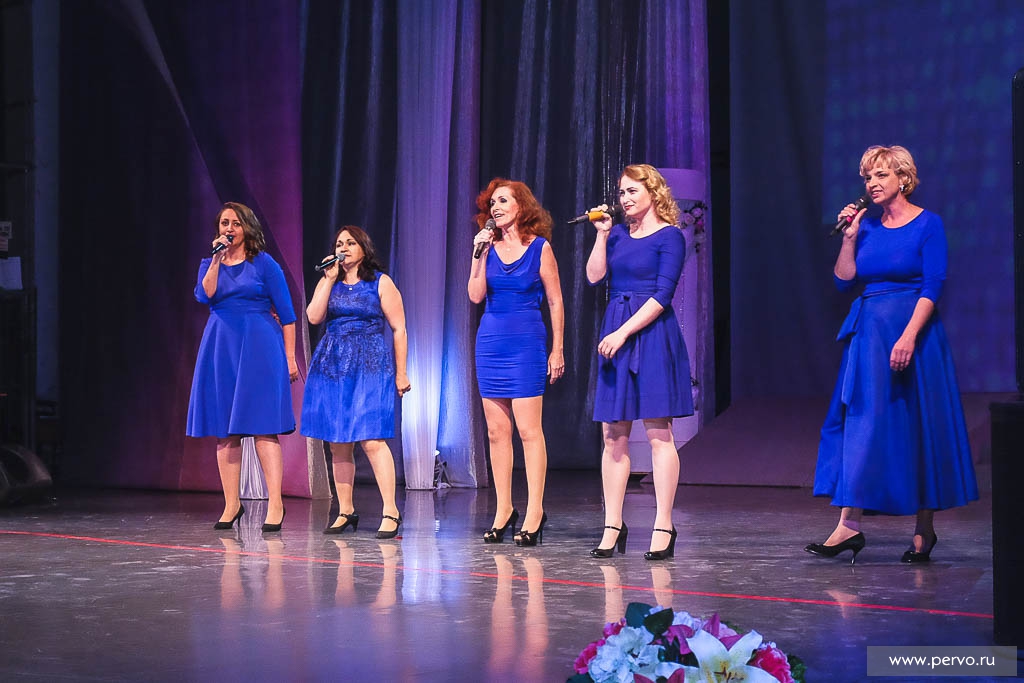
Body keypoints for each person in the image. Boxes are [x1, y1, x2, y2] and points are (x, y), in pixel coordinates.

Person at [805, 145, 978, 564]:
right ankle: (848, 525)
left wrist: (909, 336)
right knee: (861, 423)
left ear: (904, 178)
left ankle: (924, 528)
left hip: (913, 334)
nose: (872, 184)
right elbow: (844, 280)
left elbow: (932, 285)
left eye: (881, 175)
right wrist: (849, 238)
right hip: (870, 336)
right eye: (868, 177)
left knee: (918, 425)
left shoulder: (928, 224)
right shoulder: (865, 226)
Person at [585, 163, 694, 561]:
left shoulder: (671, 236)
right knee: (613, 434)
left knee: (658, 433)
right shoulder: (616, 235)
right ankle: (613, 523)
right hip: (616, 327)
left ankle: (663, 523)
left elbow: (662, 296)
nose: (625, 198)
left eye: (632, 191)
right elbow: (594, 276)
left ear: (653, 192)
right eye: (622, 192)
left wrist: (623, 333)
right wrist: (601, 236)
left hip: (649, 334)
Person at [186, 202, 299, 532]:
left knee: (264, 427)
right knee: (226, 432)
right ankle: (232, 504)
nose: (229, 229)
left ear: (248, 228)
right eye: (224, 223)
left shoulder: (264, 264)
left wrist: (290, 358)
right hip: (221, 348)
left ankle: (275, 503)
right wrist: (216, 260)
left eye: (235, 223)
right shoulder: (210, 263)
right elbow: (205, 295)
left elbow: (288, 315)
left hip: (260, 347)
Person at [469, 179, 564, 546]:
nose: (495, 208)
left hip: (526, 343)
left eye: (503, 201)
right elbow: (475, 295)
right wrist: (478, 254)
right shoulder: (486, 248)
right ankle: (504, 508)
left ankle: (535, 510)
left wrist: (557, 349)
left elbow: (555, 301)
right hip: (491, 343)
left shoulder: (540, 248)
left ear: (521, 206)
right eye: (492, 202)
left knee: (528, 430)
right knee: (496, 432)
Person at [301, 225, 410, 539]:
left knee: (372, 439)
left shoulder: (380, 282)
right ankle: (346, 510)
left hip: (369, 363)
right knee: (338, 442)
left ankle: (390, 510)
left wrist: (402, 372)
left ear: (364, 248)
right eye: (339, 243)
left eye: (350, 243)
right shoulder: (331, 281)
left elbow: (399, 329)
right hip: (332, 364)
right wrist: (328, 279)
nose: (343, 248)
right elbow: (313, 316)